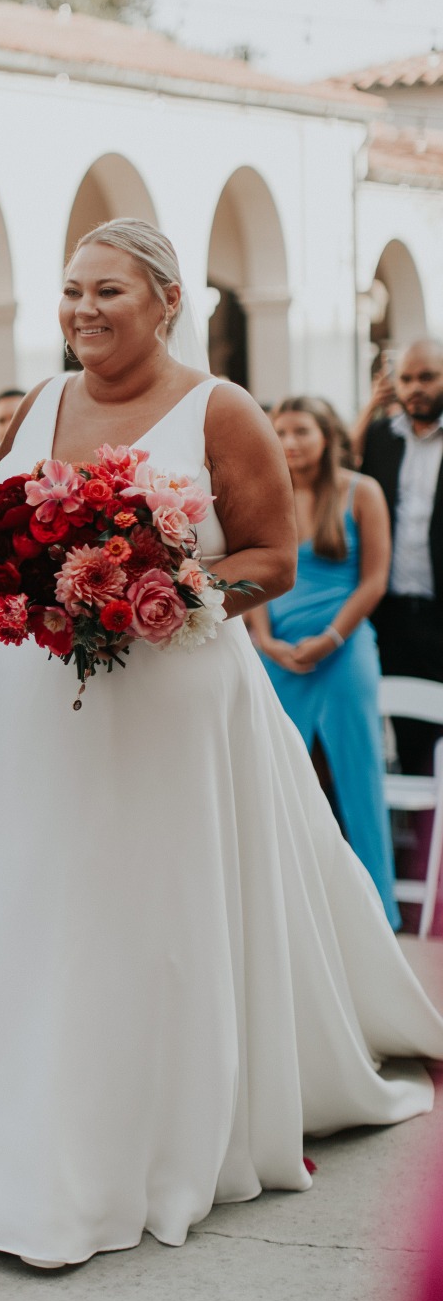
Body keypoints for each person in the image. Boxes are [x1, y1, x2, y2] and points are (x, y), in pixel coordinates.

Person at [0, 218, 443, 1269]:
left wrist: (169, 589)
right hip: (42, 696)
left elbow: (268, 553)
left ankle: (165, 1131)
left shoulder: (221, 411)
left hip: (175, 695)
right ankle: (36, 1133)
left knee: (155, 912)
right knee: (48, 903)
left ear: (168, 300)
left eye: (109, 293)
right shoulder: (40, 402)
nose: (82, 310)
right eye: (70, 290)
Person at [246, 397, 398, 926]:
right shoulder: (267, 496)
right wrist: (264, 641)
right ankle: (284, 909)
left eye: (300, 431)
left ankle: (376, 912)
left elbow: (376, 578)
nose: (289, 442)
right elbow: (255, 578)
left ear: (327, 435)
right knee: (272, 776)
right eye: (280, 432)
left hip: (345, 646)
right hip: (278, 649)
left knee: (358, 774)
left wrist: (332, 639)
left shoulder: (363, 493)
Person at [360, 339, 443, 777]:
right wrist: (370, 407)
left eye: (427, 377)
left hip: (439, 606)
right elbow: (341, 466)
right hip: (392, 613)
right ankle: (420, 841)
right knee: (410, 731)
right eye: (407, 379)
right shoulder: (380, 437)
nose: (415, 388)